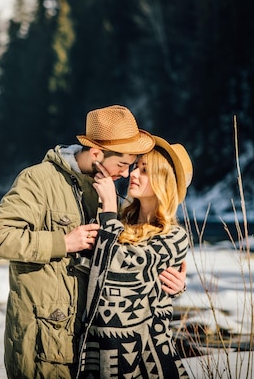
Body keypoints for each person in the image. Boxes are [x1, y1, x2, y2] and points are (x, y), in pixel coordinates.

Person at [0, 105, 187, 379]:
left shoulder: (111, 199)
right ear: (98, 154)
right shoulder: (40, 181)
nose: (127, 175)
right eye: (125, 164)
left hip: (89, 349)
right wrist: (63, 242)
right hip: (46, 346)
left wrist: (169, 287)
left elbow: (125, 268)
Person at [78, 136, 193, 378]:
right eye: (135, 166)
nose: (133, 173)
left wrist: (109, 208)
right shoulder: (120, 222)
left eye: (145, 170)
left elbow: (123, 267)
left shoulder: (175, 235)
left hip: (145, 359)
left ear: (164, 181)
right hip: (97, 351)